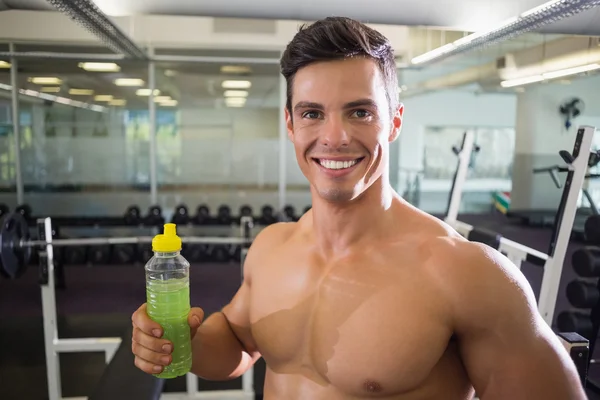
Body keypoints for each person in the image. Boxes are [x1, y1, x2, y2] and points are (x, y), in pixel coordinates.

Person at [132, 16, 587, 399]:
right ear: (290, 124)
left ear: (394, 121)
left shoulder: (465, 273)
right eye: (312, 113)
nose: (334, 137)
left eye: (360, 112)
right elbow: (236, 342)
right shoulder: (272, 247)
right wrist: (180, 342)